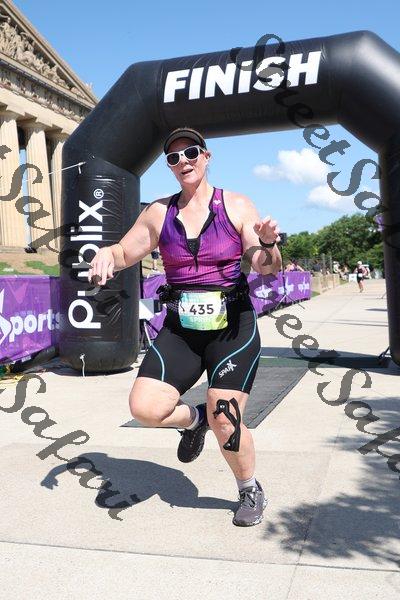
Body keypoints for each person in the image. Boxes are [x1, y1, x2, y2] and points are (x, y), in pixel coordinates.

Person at [88, 127, 282, 527]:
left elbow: (266, 267)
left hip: (232, 328)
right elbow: (124, 251)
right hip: (182, 329)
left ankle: (248, 488)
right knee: (145, 408)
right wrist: (107, 252)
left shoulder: (235, 205)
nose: (183, 162)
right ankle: (195, 421)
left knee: (225, 417)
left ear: (206, 156)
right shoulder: (159, 212)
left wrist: (267, 245)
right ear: (169, 167)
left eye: (191, 153)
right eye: (174, 158)